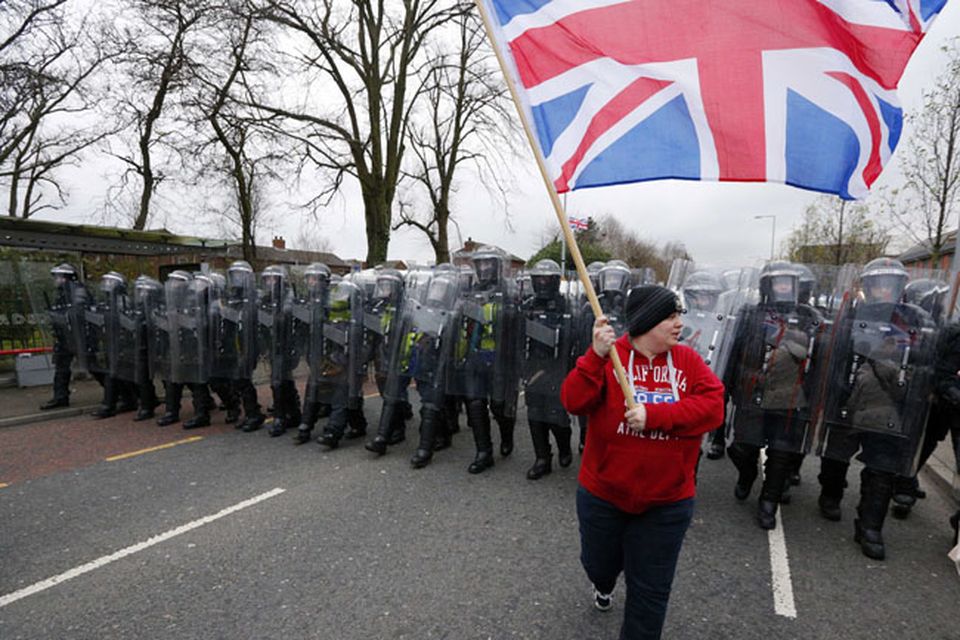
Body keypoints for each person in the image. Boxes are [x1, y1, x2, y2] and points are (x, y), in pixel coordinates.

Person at [562, 285, 724, 640]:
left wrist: (657, 416)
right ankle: (603, 584)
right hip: (603, 495)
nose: (679, 323)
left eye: (678, 315)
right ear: (647, 321)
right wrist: (594, 356)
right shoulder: (611, 357)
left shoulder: (688, 361)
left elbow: (714, 407)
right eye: (670, 316)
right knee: (598, 564)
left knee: (650, 592)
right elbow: (573, 401)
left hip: (667, 503)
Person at [816, 258, 937, 560]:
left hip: (889, 405)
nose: (883, 290)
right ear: (868, 287)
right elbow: (833, 355)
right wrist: (835, 388)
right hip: (849, 400)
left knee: (882, 468)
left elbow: (928, 360)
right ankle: (830, 494)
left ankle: (870, 526)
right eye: (878, 284)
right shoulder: (850, 315)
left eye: (889, 284)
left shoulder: (916, 320)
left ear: (899, 287)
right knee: (835, 457)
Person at [521, 259, 575, 479]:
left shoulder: (567, 305)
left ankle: (564, 445)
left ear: (555, 281)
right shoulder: (527, 305)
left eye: (546, 278)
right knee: (534, 414)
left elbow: (575, 337)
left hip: (558, 367)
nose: (542, 282)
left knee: (557, 414)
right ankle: (542, 458)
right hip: (533, 366)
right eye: (538, 278)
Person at [41, 263, 91, 410]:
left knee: (95, 366)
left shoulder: (78, 291)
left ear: (66, 278)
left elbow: (79, 313)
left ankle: (118, 393)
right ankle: (60, 397)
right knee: (61, 368)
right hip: (65, 336)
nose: (55, 280)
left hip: (79, 336)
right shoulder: (62, 293)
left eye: (58, 277)